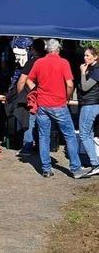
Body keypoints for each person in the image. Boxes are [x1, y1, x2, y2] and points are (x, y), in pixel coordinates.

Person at [26, 39, 88, 179]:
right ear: (58, 49)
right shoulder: (63, 63)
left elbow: (29, 80)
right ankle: (76, 169)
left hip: (42, 104)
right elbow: (70, 84)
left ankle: (46, 168)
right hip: (59, 104)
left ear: (47, 49)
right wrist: (67, 97)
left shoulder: (39, 62)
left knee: (43, 136)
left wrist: (36, 91)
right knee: (70, 136)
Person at [15, 39, 46, 157]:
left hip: (33, 96)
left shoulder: (32, 62)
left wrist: (19, 95)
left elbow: (22, 80)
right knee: (43, 121)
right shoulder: (46, 61)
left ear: (33, 49)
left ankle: (27, 147)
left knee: (30, 120)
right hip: (47, 94)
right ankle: (40, 146)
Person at [78, 47, 99, 177]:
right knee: (89, 134)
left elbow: (85, 87)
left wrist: (82, 72)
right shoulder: (92, 69)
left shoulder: (96, 71)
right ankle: (94, 162)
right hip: (91, 103)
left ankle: (95, 163)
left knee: (84, 134)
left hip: (90, 104)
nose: (85, 58)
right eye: (84, 55)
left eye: (88, 56)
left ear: (95, 57)